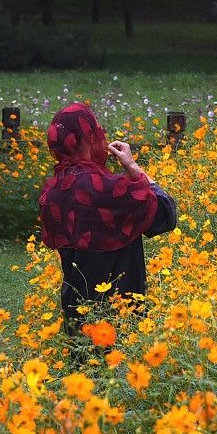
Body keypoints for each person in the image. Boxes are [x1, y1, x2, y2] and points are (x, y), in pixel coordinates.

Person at [38, 103, 177, 339]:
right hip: (121, 317)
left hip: (78, 316)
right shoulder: (113, 191)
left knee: (83, 372)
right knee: (120, 373)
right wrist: (132, 167)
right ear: (90, 138)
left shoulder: (51, 195)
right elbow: (166, 214)